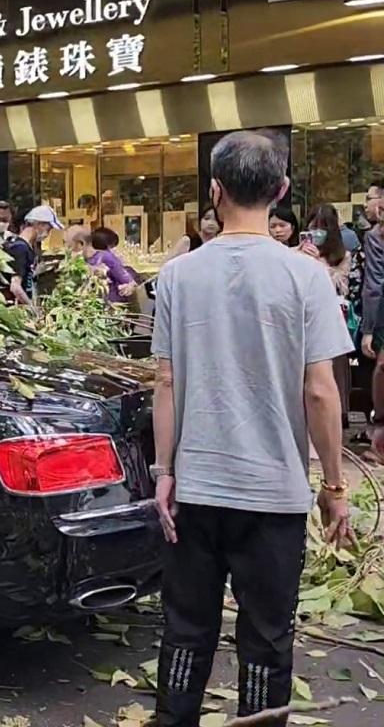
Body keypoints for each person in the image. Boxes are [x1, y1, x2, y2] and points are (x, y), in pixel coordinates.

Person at [151, 131, 352, 727]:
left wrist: (165, 472)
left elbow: (167, 383)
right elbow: (320, 391)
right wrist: (334, 487)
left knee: (185, 631)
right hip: (273, 495)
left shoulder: (179, 275)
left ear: (214, 191)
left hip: (197, 487)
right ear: (281, 191)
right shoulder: (306, 276)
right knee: (266, 639)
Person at [5, 205, 62, 307]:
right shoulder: (19, 248)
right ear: (38, 224)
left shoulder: (28, 248)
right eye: (48, 229)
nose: (47, 234)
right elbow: (15, 287)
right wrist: (33, 309)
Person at [360, 184, 384, 359]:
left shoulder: (376, 236)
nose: (365, 204)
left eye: (369, 198)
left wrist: (368, 329)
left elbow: (375, 284)